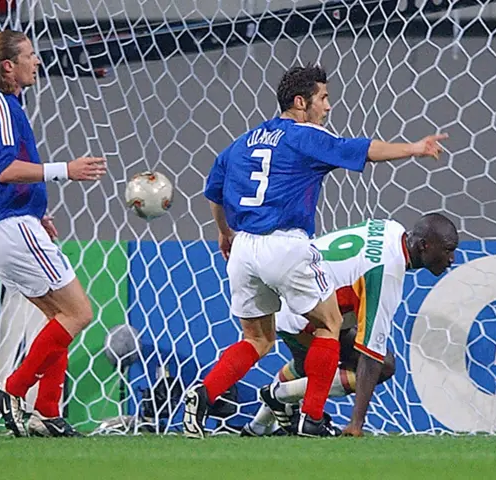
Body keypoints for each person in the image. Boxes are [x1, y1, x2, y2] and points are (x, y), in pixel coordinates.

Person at [183, 63, 448, 438]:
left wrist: (224, 235)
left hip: (243, 249)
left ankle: (204, 394)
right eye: (322, 98)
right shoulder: (305, 136)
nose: (327, 107)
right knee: (329, 326)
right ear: (300, 102)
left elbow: (214, 190)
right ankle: (312, 417)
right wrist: (414, 148)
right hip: (286, 244)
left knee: (256, 339)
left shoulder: (243, 142)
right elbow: (363, 150)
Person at [0, 30, 107, 437]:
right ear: (8, 66)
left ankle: (47, 413)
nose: (37, 61)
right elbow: (5, 169)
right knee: (80, 313)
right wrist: (67, 170)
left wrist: (33, 209)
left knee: (56, 317)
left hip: (3, 225)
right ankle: (14, 389)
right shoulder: (2, 106)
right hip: (10, 227)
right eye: (30, 55)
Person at [243, 214, 458, 437]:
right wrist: (356, 423)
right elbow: (371, 355)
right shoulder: (387, 271)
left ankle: (257, 426)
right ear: (424, 245)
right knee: (382, 365)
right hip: (305, 312)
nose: (452, 258)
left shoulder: (391, 228)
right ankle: (280, 395)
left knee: (306, 365)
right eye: (448, 250)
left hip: (290, 295)